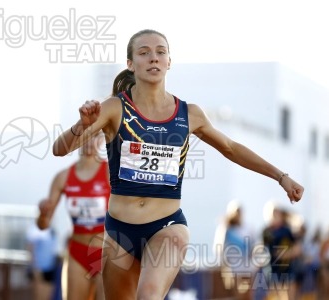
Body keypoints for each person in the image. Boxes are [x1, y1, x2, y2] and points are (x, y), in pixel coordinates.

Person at [52, 29, 304, 299]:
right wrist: (83, 125)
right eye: (144, 52)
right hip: (119, 231)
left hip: (167, 226)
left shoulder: (189, 113)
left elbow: (230, 148)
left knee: (148, 295)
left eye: (161, 52)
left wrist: (281, 176)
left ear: (169, 62)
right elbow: (60, 149)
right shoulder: (115, 108)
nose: (154, 58)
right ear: (130, 63)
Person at [37, 133, 110, 300]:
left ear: (101, 140)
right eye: (86, 136)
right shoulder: (63, 177)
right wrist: (42, 213)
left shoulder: (109, 172)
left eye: (95, 136)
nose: (90, 142)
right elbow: (43, 225)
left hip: (106, 251)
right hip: (77, 251)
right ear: (77, 140)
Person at [214, 202, 258, 300]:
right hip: (233, 268)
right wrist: (224, 265)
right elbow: (219, 247)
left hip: (248, 268)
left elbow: (256, 245)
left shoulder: (249, 227)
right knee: (238, 294)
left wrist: (255, 261)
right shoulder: (225, 228)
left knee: (248, 295)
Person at [262, 207, 302, 300]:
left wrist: (290, 252)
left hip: (288, 268)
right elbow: (276, 254)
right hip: (274, 270)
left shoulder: (286, 230)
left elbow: (298, 249)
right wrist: (291, 253)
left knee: (290, 296)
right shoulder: (267, 232)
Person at [26, 225, 59, 300]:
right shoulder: (34, 230)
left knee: (48, 296)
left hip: (51, 268)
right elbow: (30, 250)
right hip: (39, 269)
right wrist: (35, 268)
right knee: (39, 296)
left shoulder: (52, 230)